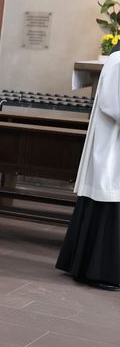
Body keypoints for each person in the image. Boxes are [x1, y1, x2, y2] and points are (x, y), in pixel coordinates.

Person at [57, 49, 120, 291]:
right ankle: (99, 271)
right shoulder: (117, 61)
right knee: (108, 202)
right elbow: (113, 105)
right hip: (112, 147)